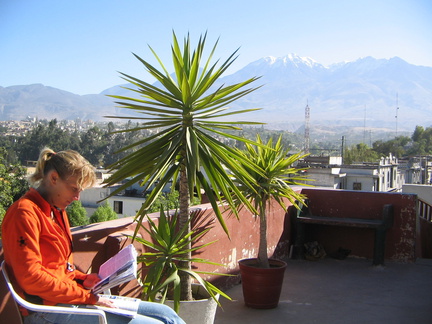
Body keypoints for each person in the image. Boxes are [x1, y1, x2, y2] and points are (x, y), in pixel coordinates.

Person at [1, 147, 185, 324]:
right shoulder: (24, 213)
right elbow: (31, 279)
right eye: (74, 189)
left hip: (70, 298)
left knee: (167, 315)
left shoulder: (56, 209)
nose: (77, 198)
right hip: (47, 311)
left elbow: (57, 267)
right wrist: (88, 298)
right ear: (54, 178)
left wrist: (81, 278)